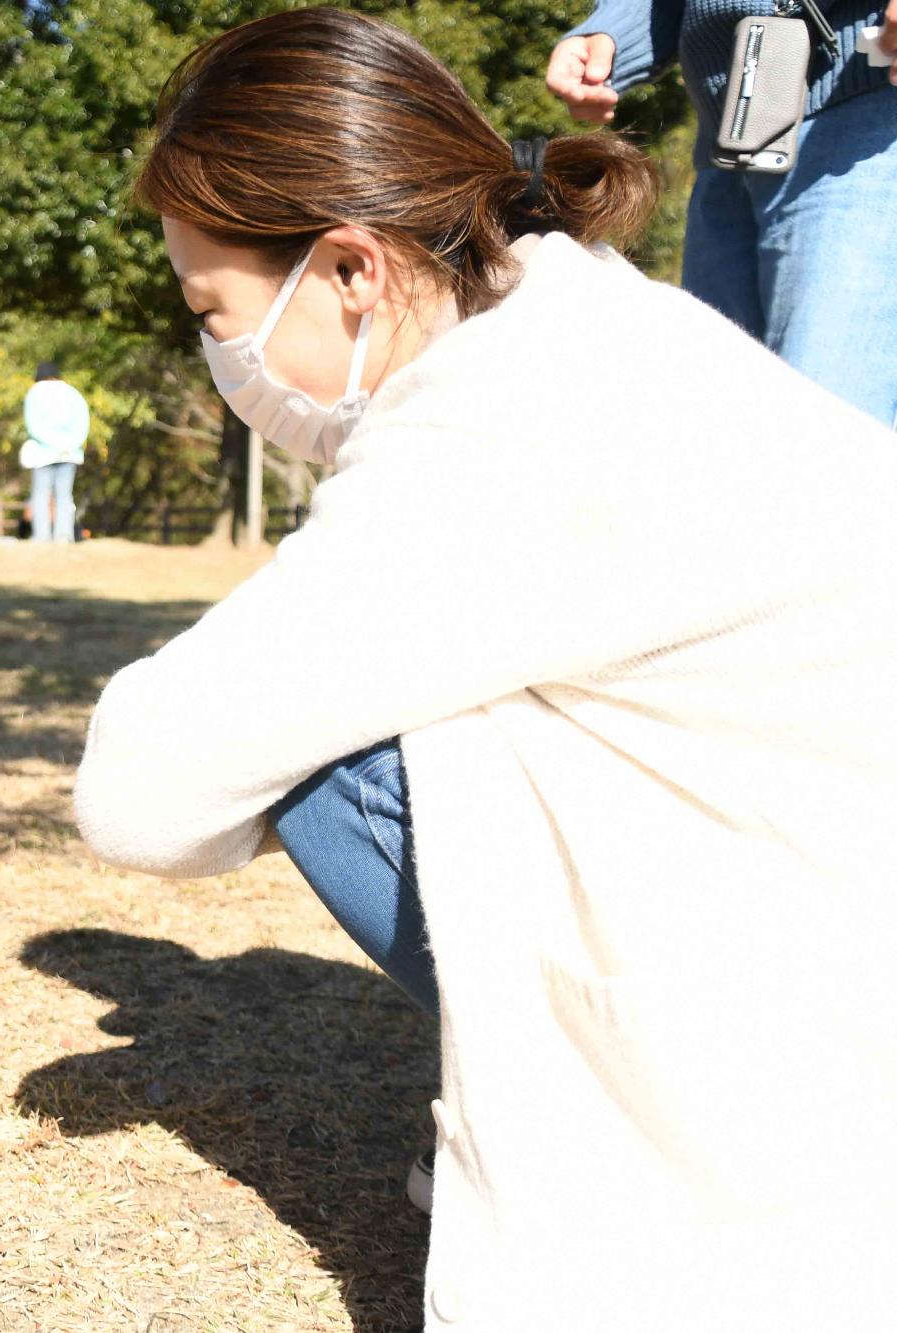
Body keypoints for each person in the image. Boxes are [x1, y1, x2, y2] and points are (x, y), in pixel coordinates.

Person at [74, 10, 897, 1330]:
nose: (221, 359)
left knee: (323, 750)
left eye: (213, 311)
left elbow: (141, 788)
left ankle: (587, 1097)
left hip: (826, 1031)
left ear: (350, 268)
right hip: (841, 884)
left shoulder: (490, 423)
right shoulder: (578, 315)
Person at [548, 0, 897, 424]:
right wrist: (612, 34)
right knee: (719, 433)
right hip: (729, 139)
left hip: (865, 124)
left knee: (823, 438)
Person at [20, 362, 91, 542]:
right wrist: (69, 444)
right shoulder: (73, 394)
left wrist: (51, 443)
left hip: (44, 454)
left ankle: (42, 536)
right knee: (64, 496)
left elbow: (32, 426)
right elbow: (83, 426)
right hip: (70, 452)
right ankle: (63, 536)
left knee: (41, 496)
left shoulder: (35, 392)